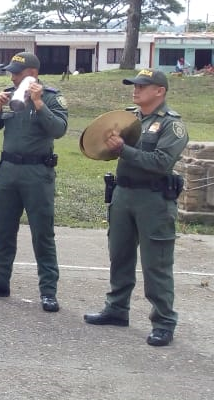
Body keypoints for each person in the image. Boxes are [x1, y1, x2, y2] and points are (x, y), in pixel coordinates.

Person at [84, 69, 188, 347]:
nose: (136, 89)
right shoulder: (128, 118)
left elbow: (160, 161)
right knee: (119, 255)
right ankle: (117, 309)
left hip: (153, 201)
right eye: (135, 85)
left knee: (156, 264)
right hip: (124, 195)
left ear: (160, 91)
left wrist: (123, 150)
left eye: (143, 86)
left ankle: (164, 321)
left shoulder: (171, 125)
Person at [0, 51, 68, 312]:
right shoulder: (9, 94)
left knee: (42, 234)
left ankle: (48, 291)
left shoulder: (51, 96)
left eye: (17, 72)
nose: (12, 76)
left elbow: (59, 129)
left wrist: (39, 103)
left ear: (33, 73)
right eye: (11, 72)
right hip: (8, 171)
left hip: (37, 173)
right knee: (3, 230)